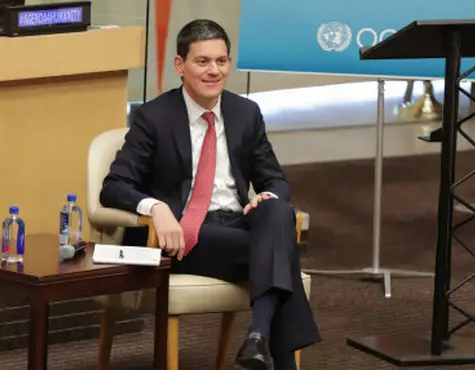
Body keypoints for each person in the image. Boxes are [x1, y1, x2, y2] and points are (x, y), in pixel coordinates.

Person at [99, 19, 321, 370]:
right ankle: (269, 347)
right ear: (180, 66)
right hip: (183, 235)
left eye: (221, 61)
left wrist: (265, 198)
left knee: (279, 212)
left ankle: (257, 338)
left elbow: (274, 180)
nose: (213, 71)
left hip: (236, 223)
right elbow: (113, 186)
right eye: (202, 61)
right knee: (281, 250)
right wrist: (156, 207)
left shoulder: (245, 113)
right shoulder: (154, 116)